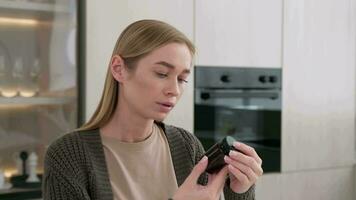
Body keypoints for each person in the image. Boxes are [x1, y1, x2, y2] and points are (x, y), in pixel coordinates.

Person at [42, 19, 263, 200]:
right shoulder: (68, 157)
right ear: (119, 69)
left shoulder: (187, 146)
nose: (174, 90)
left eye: (182, 79)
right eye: (161, 74)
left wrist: (239, 191)